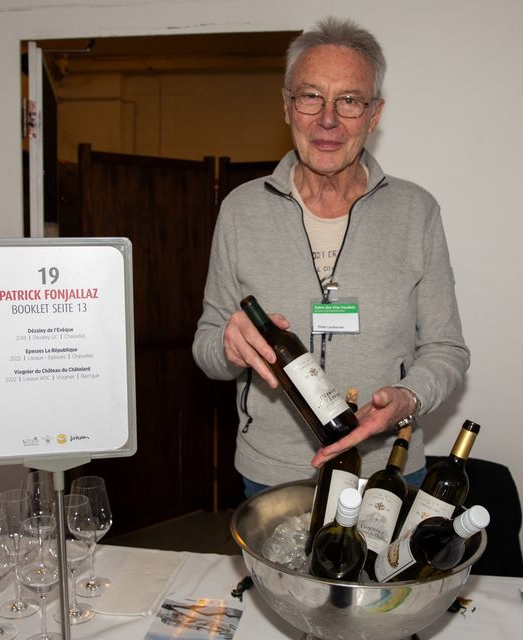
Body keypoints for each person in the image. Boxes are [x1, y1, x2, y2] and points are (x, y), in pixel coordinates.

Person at [192, 16, 470, 498]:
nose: (327, 119)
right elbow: (207, 348)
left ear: (374, 115)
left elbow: (447, 349)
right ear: (287, 106)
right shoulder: (240, 210)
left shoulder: (416, 211)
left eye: (349, 101)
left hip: (387, 468)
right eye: (311, 96)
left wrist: (408, 397)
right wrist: (227, 346)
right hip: (272, 471)